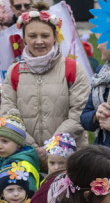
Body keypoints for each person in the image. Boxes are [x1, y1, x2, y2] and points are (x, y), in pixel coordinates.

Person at [1, 9, 89, 154]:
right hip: (26, 154)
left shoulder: (73, 69)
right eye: (32, 36)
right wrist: (32, 148)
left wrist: (50, 147)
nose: (39, 41)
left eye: (45, 35)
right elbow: (7, 114)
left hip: (67, 156)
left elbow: (79, 115)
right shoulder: (14, 71)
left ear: (55, 36)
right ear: (24, 38)